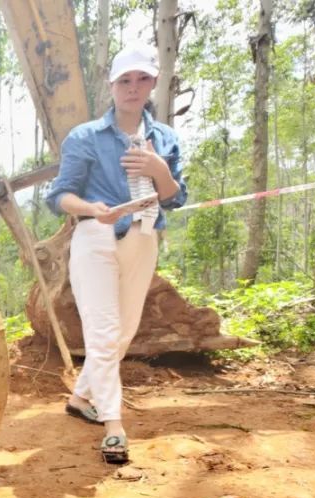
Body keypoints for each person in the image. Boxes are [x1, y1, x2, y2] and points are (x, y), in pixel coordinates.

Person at [45, 44, 187, 464]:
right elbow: (59, 196)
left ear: (153, 84)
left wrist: (160, 171)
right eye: (125, 80)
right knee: (104, 333)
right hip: (96, 237)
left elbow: (175, 198)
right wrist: (91, 208)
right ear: (112, 86)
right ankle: (113, 425)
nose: (133, 87)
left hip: (143, 236)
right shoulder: (86, 137)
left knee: (123, 332)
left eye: (141, 79)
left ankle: (80, 398)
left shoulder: (164, 139)